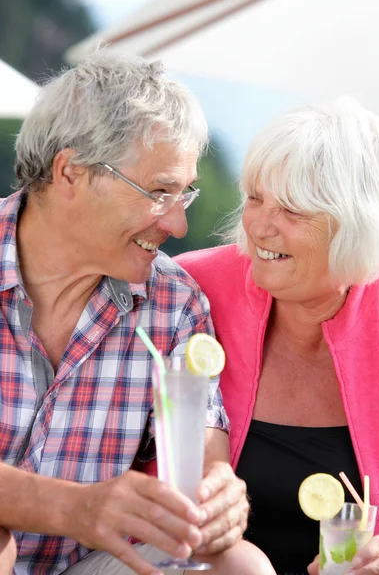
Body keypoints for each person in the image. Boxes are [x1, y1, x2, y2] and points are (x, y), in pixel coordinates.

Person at [0, 51, 275, 575]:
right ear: (70, 172)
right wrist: (74, 507)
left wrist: (218, 499)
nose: (177, 224)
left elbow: (203, 461)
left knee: (238, 566)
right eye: (158, 193)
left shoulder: (173, 304)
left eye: (184, 194)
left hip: (84, 566)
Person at [175, 99, 379, 574]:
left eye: (293, 209)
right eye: (256, 197)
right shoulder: (187, 291)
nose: (260, 225)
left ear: (355, 222)